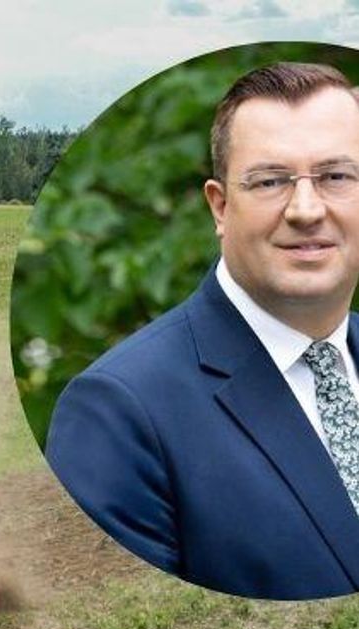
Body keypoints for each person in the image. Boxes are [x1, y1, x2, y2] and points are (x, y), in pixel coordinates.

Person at [46, 61, 359, 599]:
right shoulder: (119, 414)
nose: (306, 210)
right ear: (220, 207)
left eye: (336, 177)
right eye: (270, 181)